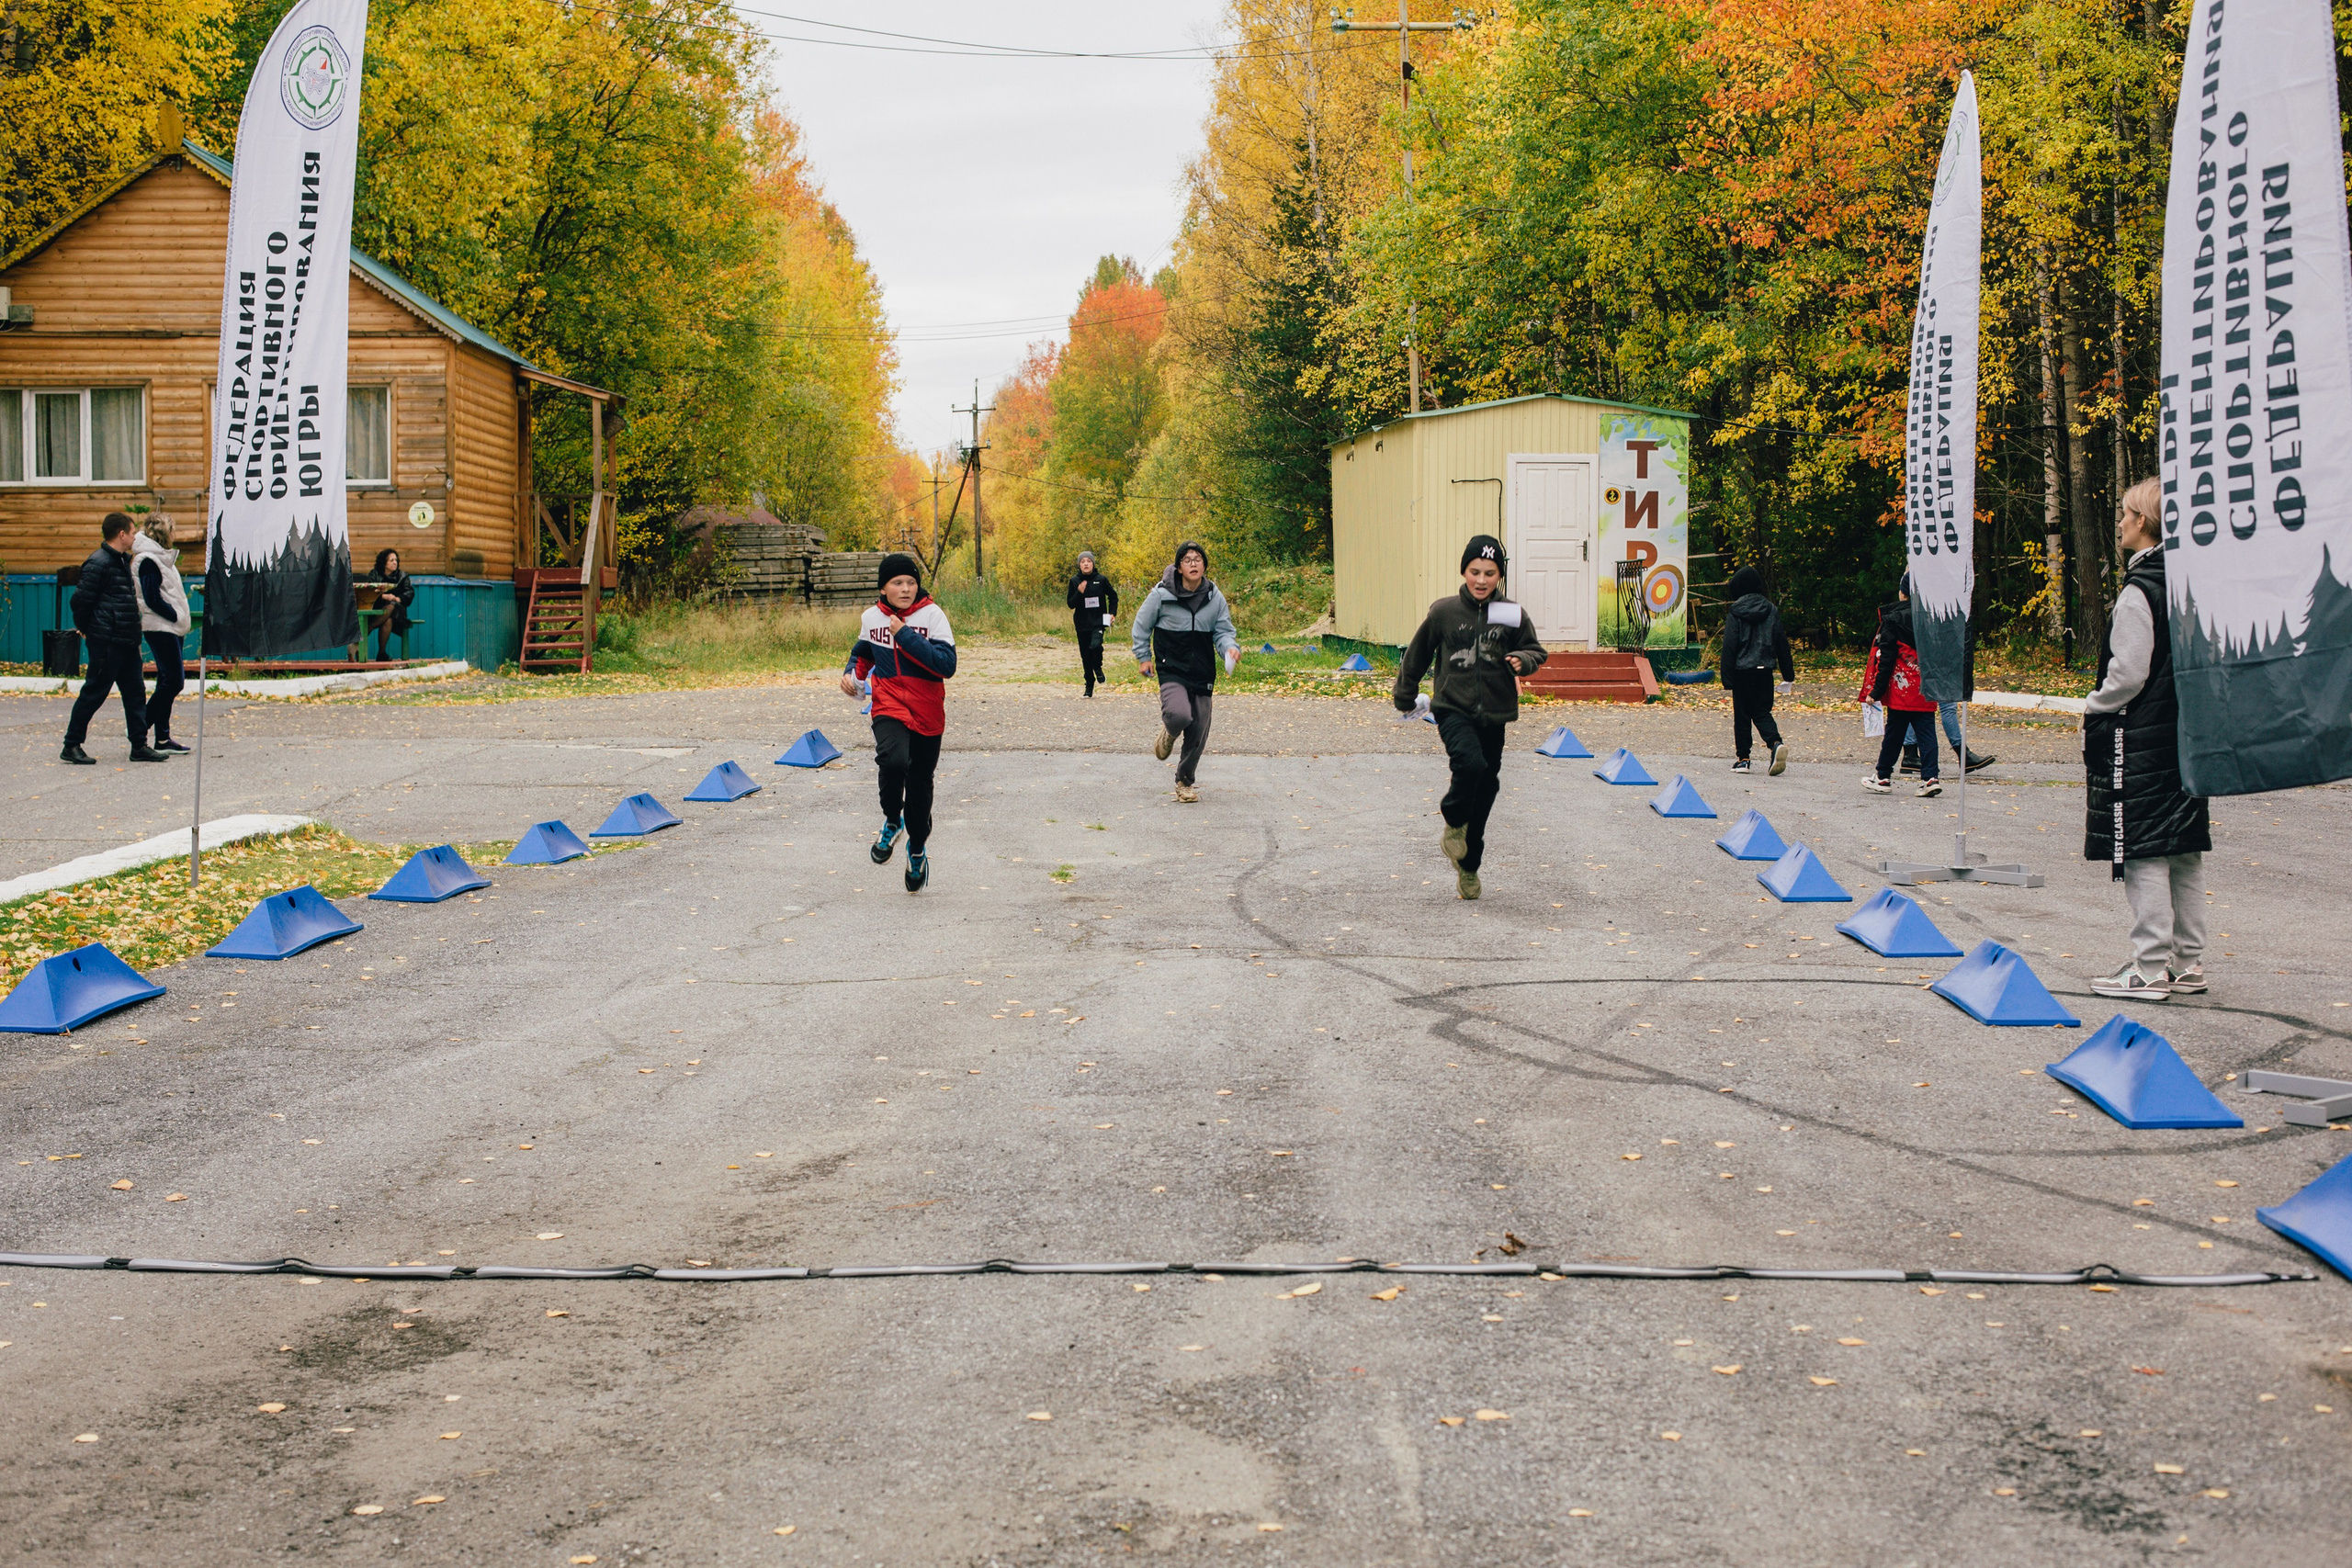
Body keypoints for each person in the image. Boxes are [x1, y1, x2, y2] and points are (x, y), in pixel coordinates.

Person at [2083, 478, 2208, 1000]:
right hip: (2186, 731)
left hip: (2141, 733)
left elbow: (2129, 672)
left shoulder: (2140, 590)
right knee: (2182, 848)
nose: (2119, 523)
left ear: (2143, 522)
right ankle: (2187, 963)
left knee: (2144, 846)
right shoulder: (2189, 582)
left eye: (2125, 515)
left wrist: (2096, 704)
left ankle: (2150, 967)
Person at [1393, 535, 1549, 900]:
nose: (1481, 580)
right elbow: (1416, 655)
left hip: (1494, 713)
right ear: (1464, 571)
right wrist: (1405, 696)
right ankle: (1452, 819)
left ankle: (1469, 865)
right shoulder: (1444, 612)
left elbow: (1534, 650)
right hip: (1452, 707)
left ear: (1499, 576)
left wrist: (1522, 660)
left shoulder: (1510, 613)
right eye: (1475, 571)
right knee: (1470, 764)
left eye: (1490, 573)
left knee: (1487, 786)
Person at [842, 553, 957, 892]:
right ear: (883, 587)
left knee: (921, 783)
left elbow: (946, 665)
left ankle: (917, 849)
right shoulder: (871, 618)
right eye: (897, 583)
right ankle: (893, 820)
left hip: (927, 710)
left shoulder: (932, 616)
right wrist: (851, 676)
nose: (906, 589)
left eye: (911, 582)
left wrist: (906, 635)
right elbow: (862, 653)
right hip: (889, 704)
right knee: (891, 760)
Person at [1132, 540, 1238, 804]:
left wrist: (1229, 649)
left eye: (1198, 559)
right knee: (1179, 714)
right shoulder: (1161, 594)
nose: (1193, 563)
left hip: (1202, 670)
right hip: (1172, 667)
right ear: (1179, 567)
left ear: (1204, 566)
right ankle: (1169, 731)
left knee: (1199, 729)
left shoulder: (1214, 597)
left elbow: (1223, 631)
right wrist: (1144, 657)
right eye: (1188, 560)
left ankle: (1184, 781)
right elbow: (1142, 626)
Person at [62, 513, 165, 765]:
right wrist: (87, 628)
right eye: (132, 532)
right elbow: (80, 601)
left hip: (126, 639)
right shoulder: (98, 563)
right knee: (94, 692)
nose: (134, 537)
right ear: (121, 534)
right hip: (107, 640)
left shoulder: (120, 561)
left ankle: (139, 745)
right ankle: (71, 744)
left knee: (135, 693)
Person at [1858, 577, 1939, 797]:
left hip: (1901, 689)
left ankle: (1883, 776)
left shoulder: (1892, 620)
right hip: (1926, 687)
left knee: (1894, 734)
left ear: (1903, 593)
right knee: (1927, 733)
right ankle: (1930, 778)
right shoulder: (1933, 619)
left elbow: (1885, 660)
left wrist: (1875, 691)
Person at [1717, 564, 1792, 775]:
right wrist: (1788, 675)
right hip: (1764, 671)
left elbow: (1730, 645)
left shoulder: (1736, 611)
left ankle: (1743, 759)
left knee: (1742, 715)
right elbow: (1781, 643)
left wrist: (1727, 677)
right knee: (1761, 711)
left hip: (1742, 672)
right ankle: (1775, 743)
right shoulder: (1771, 610)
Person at [1899, 624, 1996, 775]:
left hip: (1927, 658)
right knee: (1945, 706)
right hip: (1936, 658)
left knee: (1917, 706)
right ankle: (1963, 755)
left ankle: (1910, 754)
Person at [131, 516, 192, 753]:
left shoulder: (161, 558)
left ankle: (163, 739)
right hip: (160, 627)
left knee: (165, 682)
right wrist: (175, 615)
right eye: (172, 531)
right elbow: (151, 598)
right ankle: (140, 725)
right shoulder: (148, 560)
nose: (175, 535)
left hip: (170, 627)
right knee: (174, 682)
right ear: (164, 534)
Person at [1066, 550, 1119, 697]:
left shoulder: (1101, 579)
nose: (1086, 564)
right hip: (1082, 624)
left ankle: (1098, 667)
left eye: (1088, 561)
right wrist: (1079, 592)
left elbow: (1113, 596)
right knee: (1085, 656)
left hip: (1098, 622)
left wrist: (1112, 613)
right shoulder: (1075, 581)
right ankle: (1089, 685)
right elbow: (1070, 604)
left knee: (1095, 645)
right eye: (1082, 562)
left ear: (1093, 563)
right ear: (1079, 565)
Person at [363, 547, 415, 661]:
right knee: (387, 620)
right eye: (391, 560)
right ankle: (381, 653)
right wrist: (383, 596)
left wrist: (398, 598)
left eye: (396, 560)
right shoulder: (374, 574)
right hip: (376, 609)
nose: (395, 562)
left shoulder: (402, 576)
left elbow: (409, 592)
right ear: (384, 562)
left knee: (392, 605)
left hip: (398, 612)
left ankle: (370, 627)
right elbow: (368, 591)